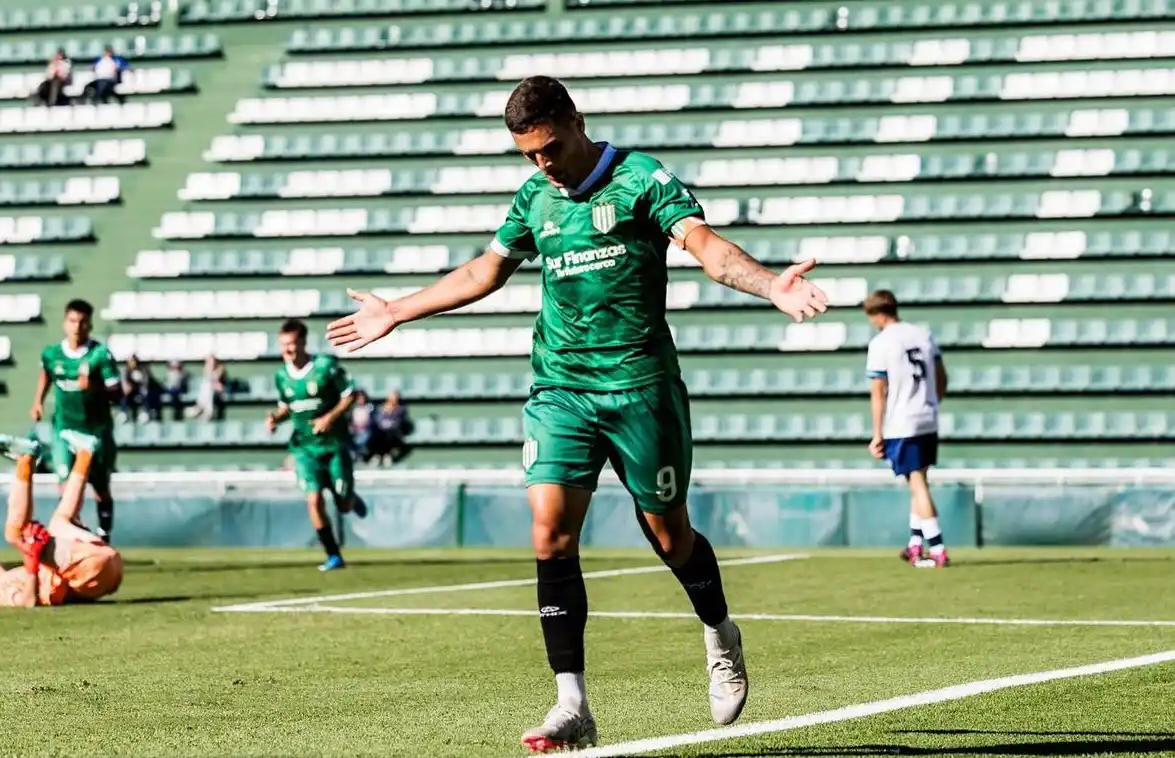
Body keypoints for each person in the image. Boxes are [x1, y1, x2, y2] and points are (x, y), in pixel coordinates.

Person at [324, 75, 829, 752]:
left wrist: (768, 283)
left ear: (575, 121)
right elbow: (484, 271)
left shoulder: (642, 179)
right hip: (560, 389)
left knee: (670, 538)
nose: (542, 164)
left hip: (641, 389)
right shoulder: (535, 197)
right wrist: (397, 309)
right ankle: (572, 705)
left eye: (550, 148)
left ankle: (719, 632)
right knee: (548, 532)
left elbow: (704, 246)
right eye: (528, 154)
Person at [266, 319, 368, 572]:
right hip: (304, 448)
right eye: (283, 345)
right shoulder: (281, 376)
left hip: (334, 445)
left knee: (342, 505)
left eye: (291, 344)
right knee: (313, 499)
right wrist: (275, 418)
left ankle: (350, 499)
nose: (287, 350)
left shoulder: (325, 366)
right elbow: (288, 406)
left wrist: (329, 418)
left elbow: (351, 395)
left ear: (303, 342)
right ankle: (333, 555)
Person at [863, 289, 949, 569]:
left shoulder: (881, 343)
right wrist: (931, 404)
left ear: (876, 315)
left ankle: (937, 548)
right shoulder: (923, 334)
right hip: (927, 417)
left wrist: (877, 433)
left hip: (902, 421)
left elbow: (879, 392)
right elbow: (942, 378)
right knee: (919, 478)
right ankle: (915, 543)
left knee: (917, 483)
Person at [30, 299, 121, 543]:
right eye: (72, 321)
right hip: (64, 429)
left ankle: (104, 535)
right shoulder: (51, 354)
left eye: (82, 322)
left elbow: (118, 393)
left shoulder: (100, 355)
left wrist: (94, 387)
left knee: (100, 487)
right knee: (65, 483)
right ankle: (68, 534)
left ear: (90, 324)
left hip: (96, 431)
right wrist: (38, 400)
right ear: (64, 323)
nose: (77, 327)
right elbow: (46, 374)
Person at [0, 436, 123, 607]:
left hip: (96, 568)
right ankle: (25, 458)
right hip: (88, 572)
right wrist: (31, 561)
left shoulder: (1, 578)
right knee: (16, 535)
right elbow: (27, 601)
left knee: (59, 521)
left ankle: (84, 454)